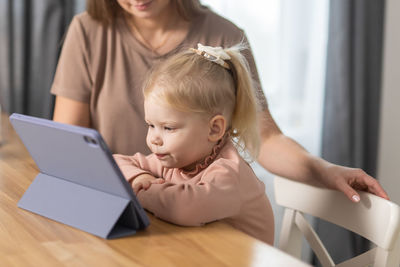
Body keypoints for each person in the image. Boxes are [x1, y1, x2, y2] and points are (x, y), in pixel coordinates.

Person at [51, 0, 388, 209]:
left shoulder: (223, 37)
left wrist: (324, 171)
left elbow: (266, 139)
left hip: (196, 221)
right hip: (122, 205)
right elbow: (70, 143)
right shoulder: (89, 30)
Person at [113, 43, 274, 244]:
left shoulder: (230, 174)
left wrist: (141, 190)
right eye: (151, 125)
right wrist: (140, 177)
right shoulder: (177, 159)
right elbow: (113, 164)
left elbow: (182, 208)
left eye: (168, 128)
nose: (154, 138)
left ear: (214, 129)